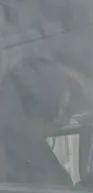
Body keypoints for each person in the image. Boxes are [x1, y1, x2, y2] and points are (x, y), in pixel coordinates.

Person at [0, 57, 77, 186]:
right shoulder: (17, 153)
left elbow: (63, 191)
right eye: (57, 110)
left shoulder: (36, 152)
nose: (61, 120)